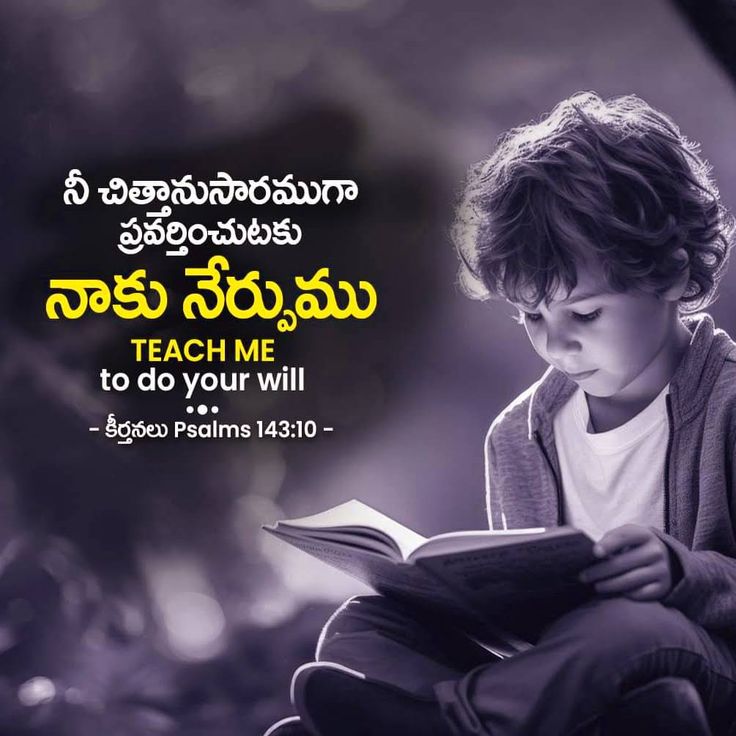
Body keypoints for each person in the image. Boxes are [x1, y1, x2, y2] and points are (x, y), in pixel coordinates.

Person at [267, 92, 736, 736]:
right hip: (570, 675)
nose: (555, 342)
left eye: (585, 313)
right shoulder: (520, 434)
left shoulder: (730, 405)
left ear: (674, 274)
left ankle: (448, 728)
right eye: (531, 316)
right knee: (362, 626)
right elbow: (532, 628)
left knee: (623, 626)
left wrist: (681, 574)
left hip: (703, 664)